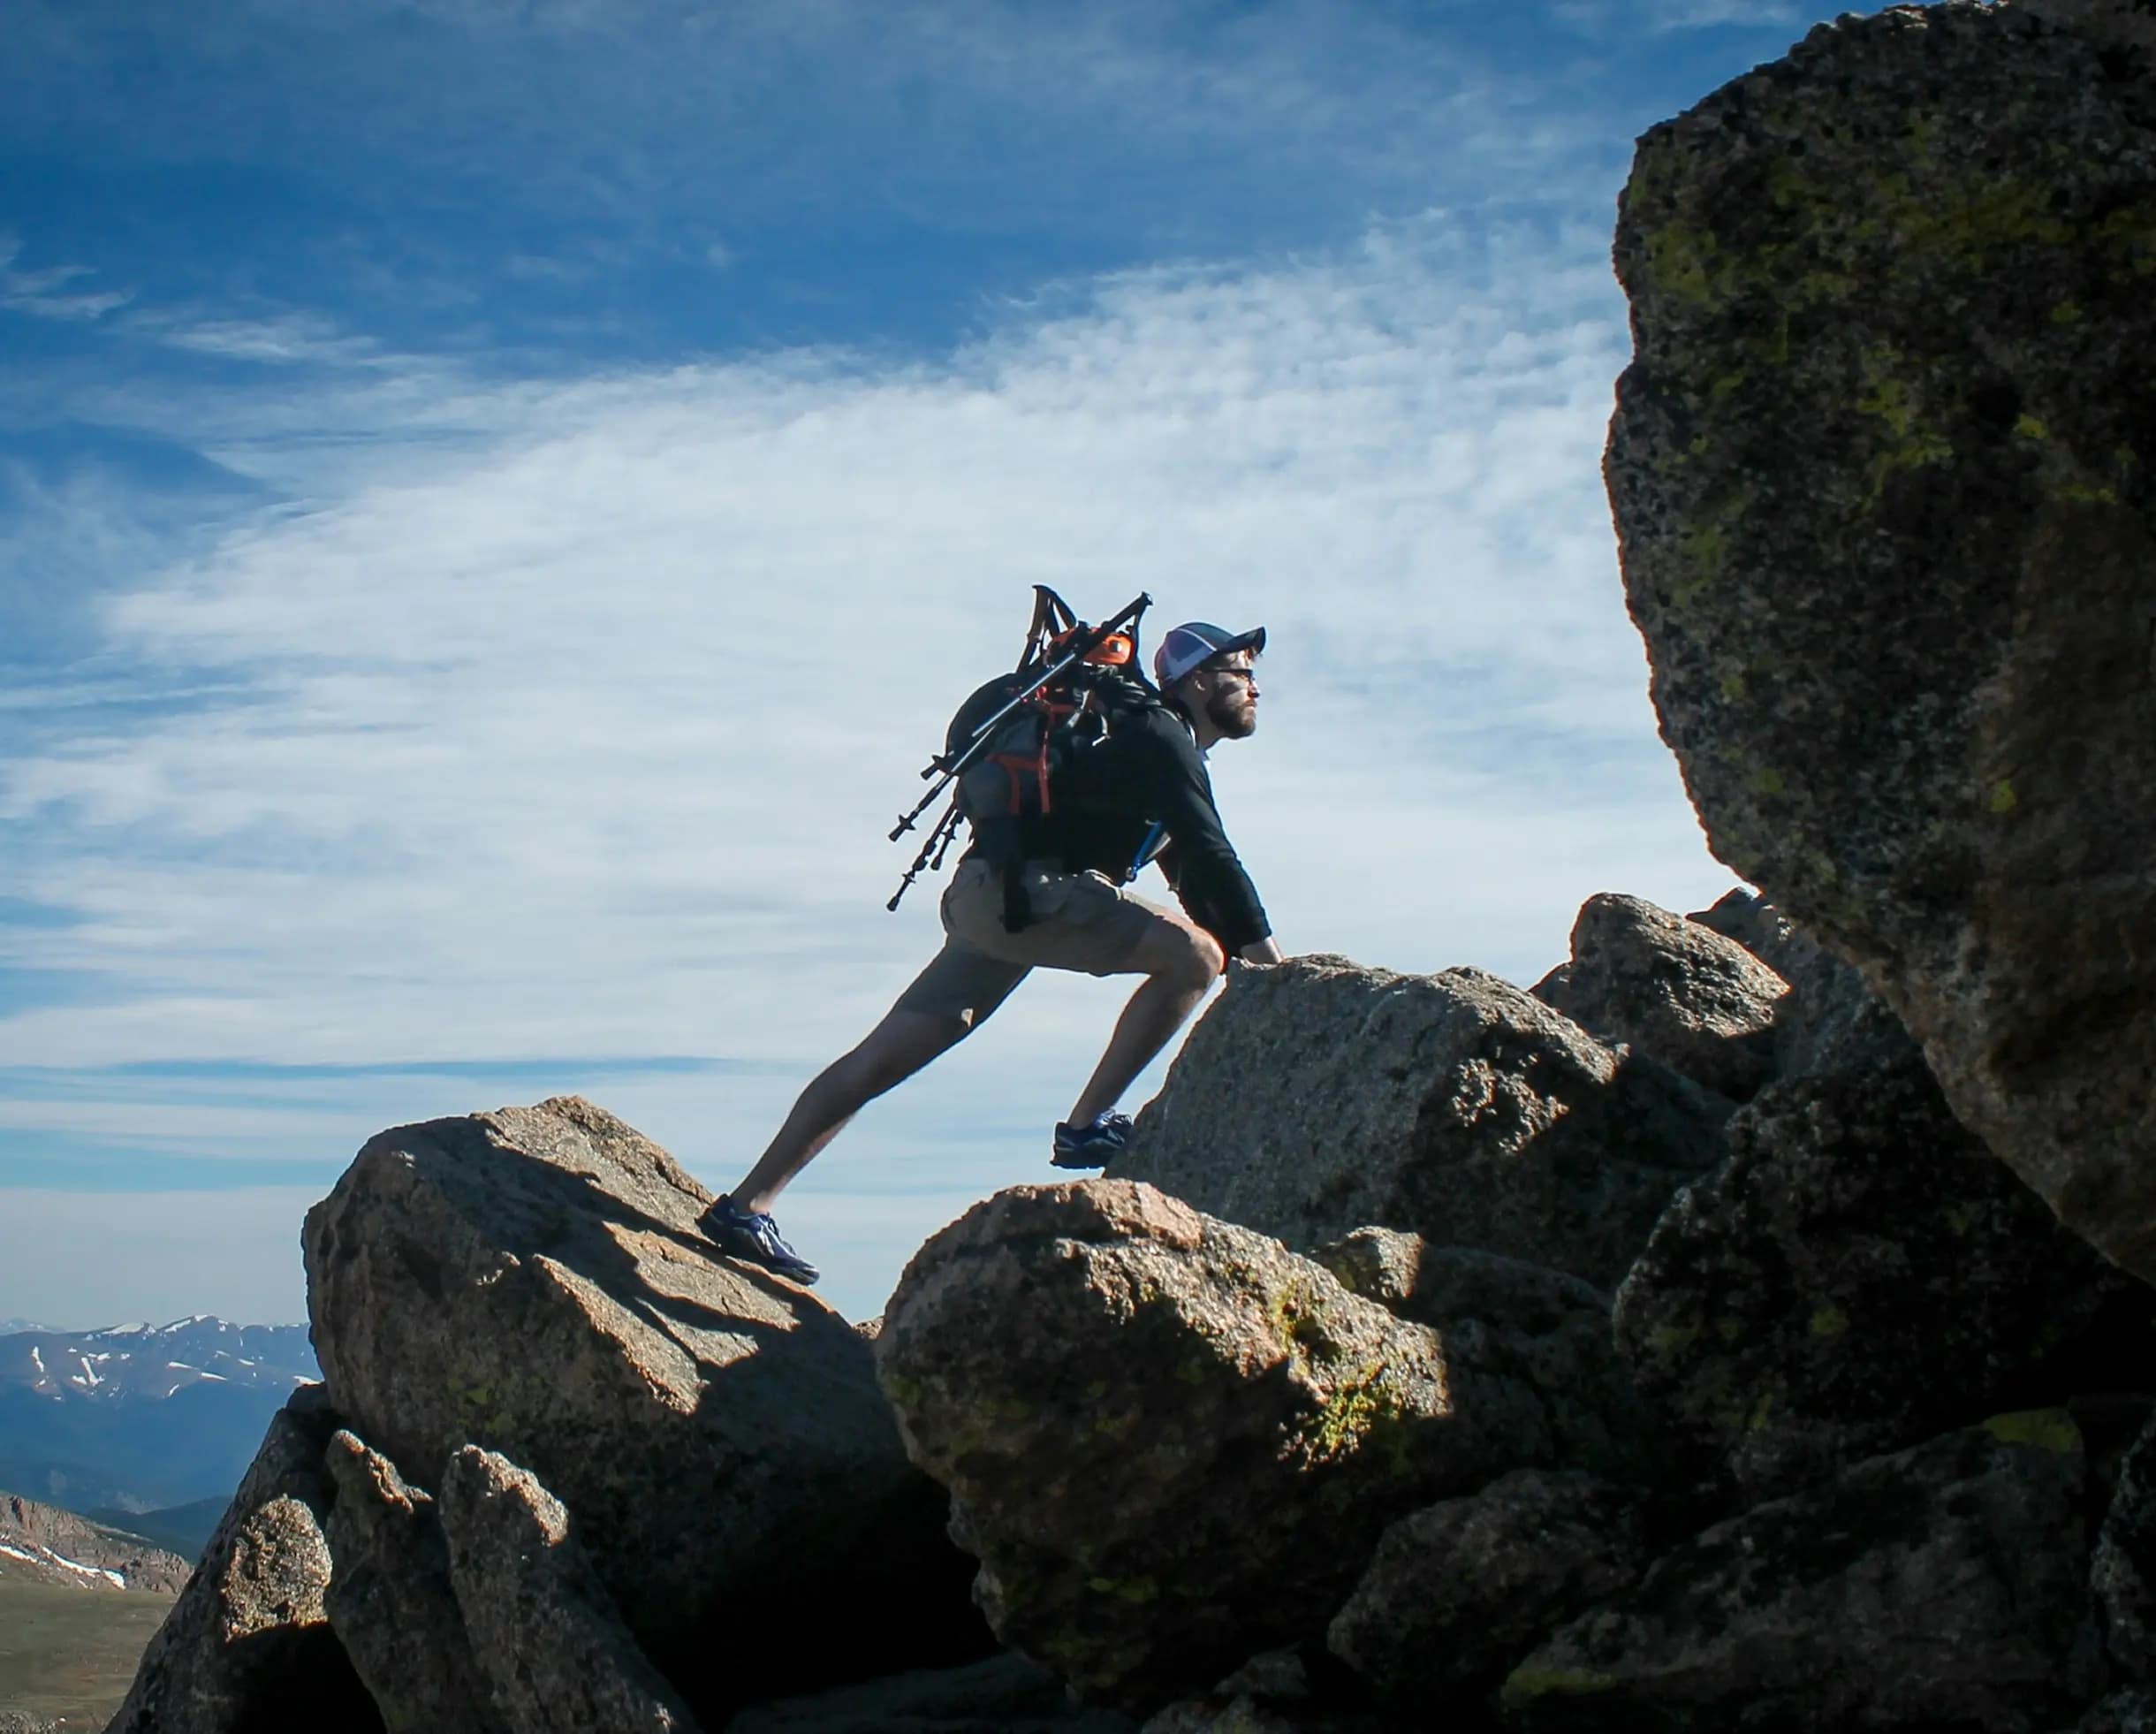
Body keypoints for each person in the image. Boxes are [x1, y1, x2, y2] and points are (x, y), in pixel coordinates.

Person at [700, 620, 1286, 1283]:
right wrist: (1278, 974)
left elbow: (1196, 877)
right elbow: (1214, 856)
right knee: (1194, 958)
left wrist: (1256, 963)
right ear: (1199, 680)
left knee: (879, 1059)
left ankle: (746, 1206)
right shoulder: (1159, 736)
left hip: (992, 898)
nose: (1256, 688)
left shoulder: (1150, 743)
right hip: (1020, 897)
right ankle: (1087, 1126)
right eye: (1243, 673)